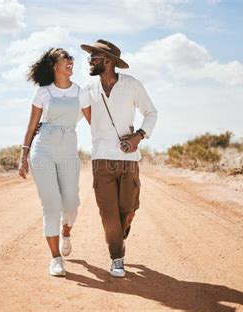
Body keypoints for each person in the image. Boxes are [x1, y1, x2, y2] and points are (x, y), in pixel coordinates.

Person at [80, 39, 157, 277]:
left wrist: (138, 136)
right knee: (108, 212)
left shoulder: (132, 85)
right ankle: (117, 257)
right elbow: (82, 115)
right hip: (101, 158)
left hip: (130, 159)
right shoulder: (87, 89)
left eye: (94, 57)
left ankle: (123, 229)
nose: (89, 60)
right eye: (90, 56)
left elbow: (151, 113)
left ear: (108, 61)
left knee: (129, 208)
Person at [18, 47, 91, 277]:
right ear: (54, 66)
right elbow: (31, 127)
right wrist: (23, 156)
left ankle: (66, 231)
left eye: (71, 58)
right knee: (51, 205)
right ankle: (55, 259)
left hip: (68, 149)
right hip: (43, 150)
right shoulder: (43, 93)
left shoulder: (80, 92)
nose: (70, 61)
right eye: (65, 58)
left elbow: (95, 124)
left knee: (71, 204)